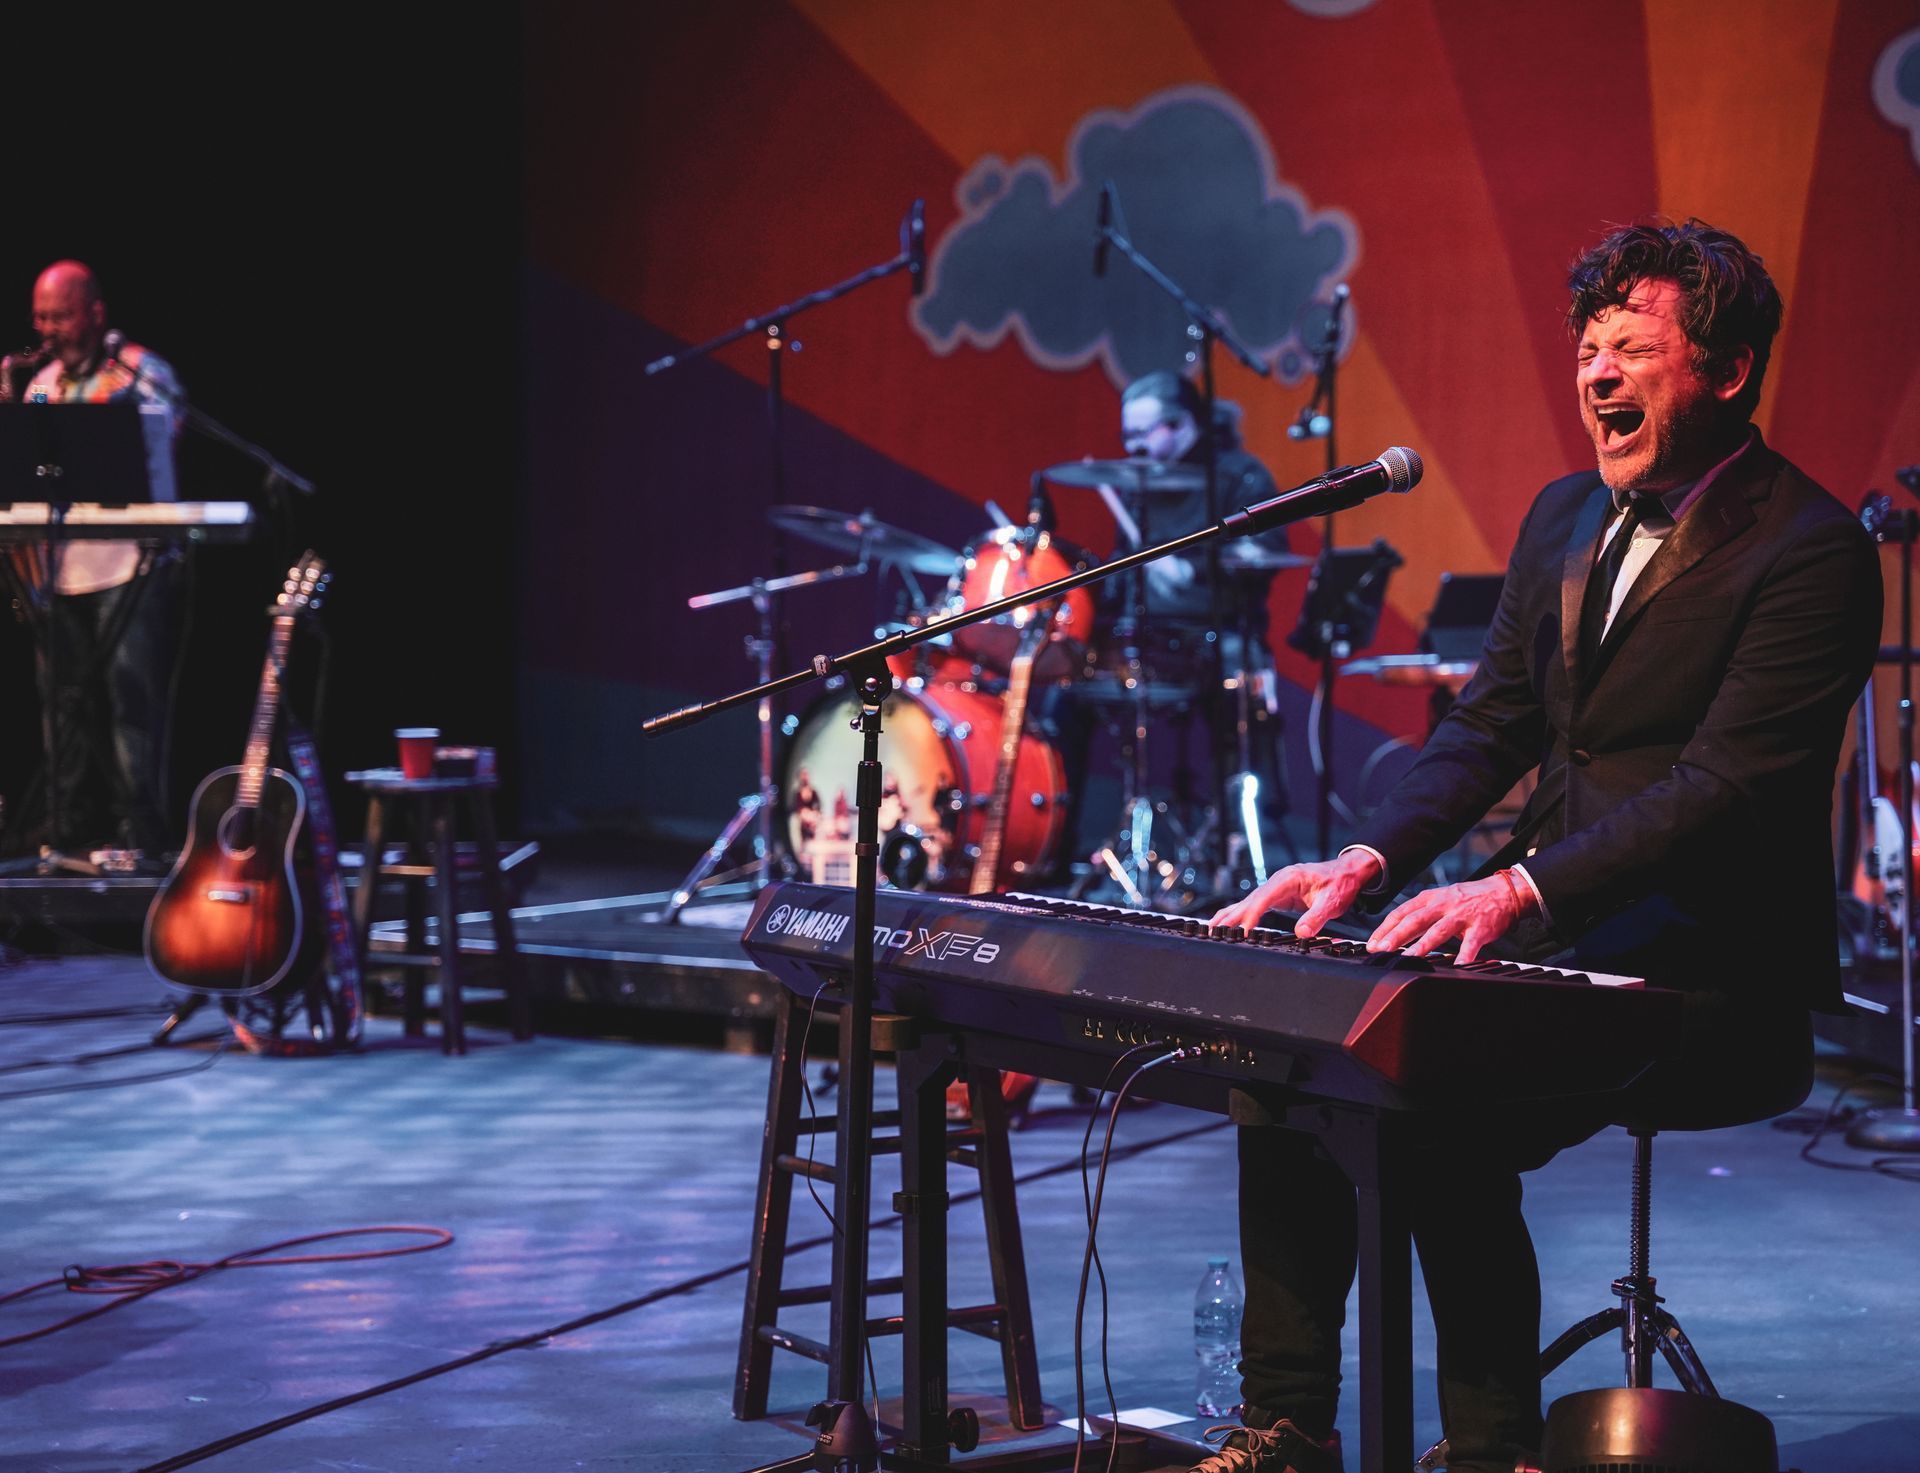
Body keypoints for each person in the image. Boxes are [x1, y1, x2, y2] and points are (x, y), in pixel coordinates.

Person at [1196, 220, 1881, 1473]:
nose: (1596, 373)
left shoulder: (1812, 550)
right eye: (1587, 346)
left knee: (1440, 1100)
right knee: (1290, 1071)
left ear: (1727, 372)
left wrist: (1519, 885)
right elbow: (1492, 724)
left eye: (1633, 347)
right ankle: (1285, 1429)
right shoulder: (1566, 512)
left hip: (1708, 974)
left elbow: (1722, 786)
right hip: (1558, 937)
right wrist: (1370, 861)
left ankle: (1490, 1451)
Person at [1, 260, 184, 859]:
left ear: (95, 312)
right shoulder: (40, 386)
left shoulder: (142, 373)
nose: (48, 328)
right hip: (58, 571)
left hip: (128, 565)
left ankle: (144, 837)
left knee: (133, 702)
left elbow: (162, 443)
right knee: (63, 707)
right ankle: (67, 831)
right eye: (40, 316)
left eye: (61, 315)